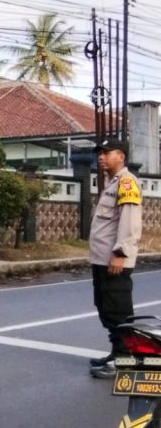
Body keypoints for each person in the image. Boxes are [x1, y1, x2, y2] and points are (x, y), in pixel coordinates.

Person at [89, 139, 142, 379]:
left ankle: (125, 360)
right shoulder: (112, 183)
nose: (101, 157)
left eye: (106, 153)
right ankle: (116, 352)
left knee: (118, 310)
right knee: (106, 308)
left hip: (115, 260)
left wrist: (120, 253)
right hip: (102, 259)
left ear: (120, 156)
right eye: (99, 153)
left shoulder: (127, 182)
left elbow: (130, 221)